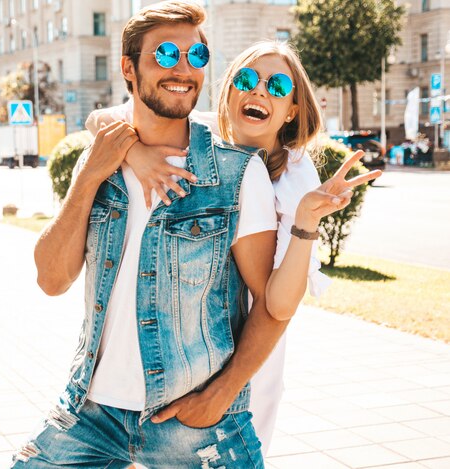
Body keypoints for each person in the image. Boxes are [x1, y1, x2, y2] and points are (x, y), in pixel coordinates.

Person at [85, 40, 381, 454]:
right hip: (170, 362)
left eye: (277, 86)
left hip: (246, 365)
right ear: (230, 92)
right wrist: (138, 154)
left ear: (292, 109)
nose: (260, 91)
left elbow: (277, 304)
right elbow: (99, 118)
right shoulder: (197, 134)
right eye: (247, 79)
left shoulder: (295, 175)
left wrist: (306, 221)